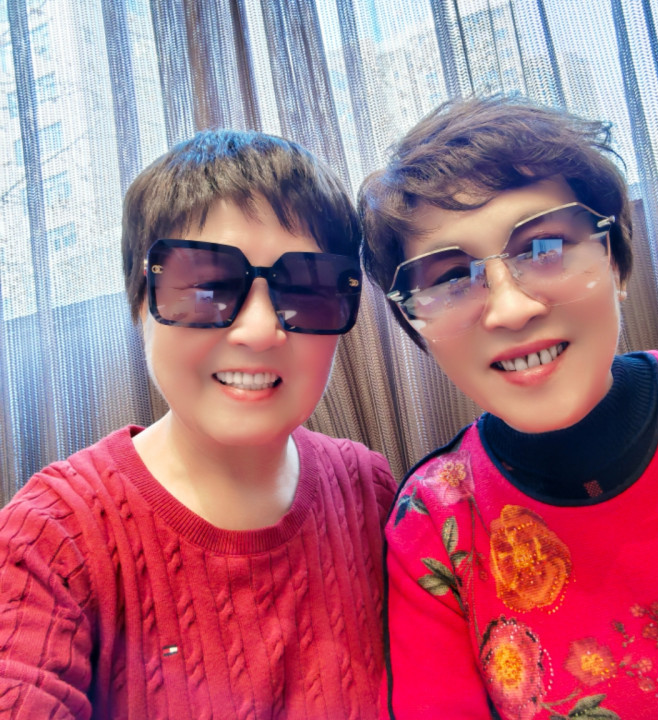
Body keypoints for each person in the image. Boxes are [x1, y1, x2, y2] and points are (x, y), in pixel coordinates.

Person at [0, 130, 396, 719]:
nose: (259, 331)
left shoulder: (369, 490)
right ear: (141, 301)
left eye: (306, 288)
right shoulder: (51, 537)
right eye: (207, 286)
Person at [358, 95, 658, 719]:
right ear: (418, 329)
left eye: (543, 246)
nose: (511, 309)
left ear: (615, 260)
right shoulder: (434, 525)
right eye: (451, 277)